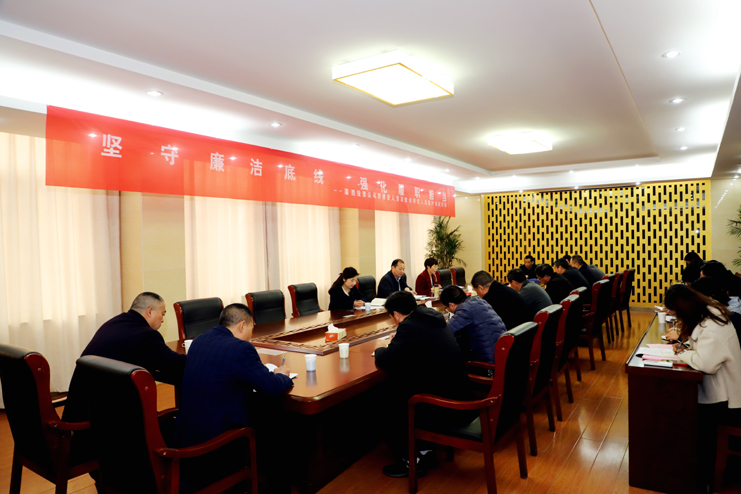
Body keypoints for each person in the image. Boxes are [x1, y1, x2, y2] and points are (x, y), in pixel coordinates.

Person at [174, 304, 293, 492]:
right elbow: (271, 387)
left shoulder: (199, 340)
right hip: (215, 441)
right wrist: (281, 375)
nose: (251, 336)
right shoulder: (240, 348)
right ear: (242, 325)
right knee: (276, 418)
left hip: (187, 433)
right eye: (251, 329)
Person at [374, 291, 476, 478]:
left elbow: (387, 359)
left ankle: (410, 461)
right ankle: (425, 452)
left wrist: (380, 348)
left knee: (382, 405)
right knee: (399, 391)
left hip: (446, 406)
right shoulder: (433, 318)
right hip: (460, 394)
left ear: (396, 314)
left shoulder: (409, 326)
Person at [663, 284, 741, 493]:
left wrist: (682, 353)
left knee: (687, 416)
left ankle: (703, 479)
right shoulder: (708, 313)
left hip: (726, 400)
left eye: (676, 314)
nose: (676, 319)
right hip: (720, 389)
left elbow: (706, 364)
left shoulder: (711, 326)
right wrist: (686, 348)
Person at [63, 292, 186, 422]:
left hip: (82, 408)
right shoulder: (145, 334)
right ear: (150, 312)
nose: (162, 319)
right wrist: (198, 355)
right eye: (162, 314)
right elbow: (174, 363)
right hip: (109, 417)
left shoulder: (115, 322)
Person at [440, 285, 506, 364]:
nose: (447, 310)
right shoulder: (478, 300)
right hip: (502, 352)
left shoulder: (465, 310)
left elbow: (446, 332)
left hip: (489, 360)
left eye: (446, 308)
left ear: (451, 305)